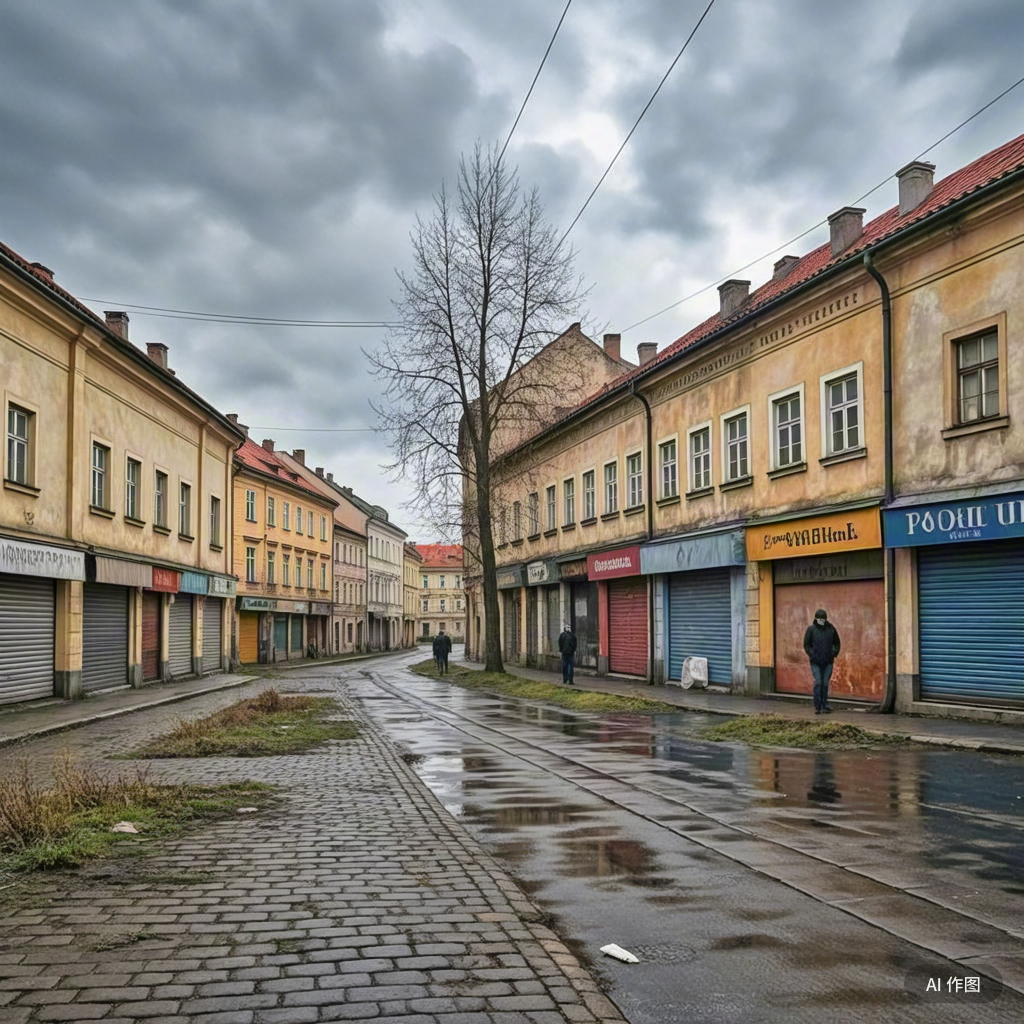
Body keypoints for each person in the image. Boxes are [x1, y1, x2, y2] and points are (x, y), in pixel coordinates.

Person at [803, 608, 841, 714]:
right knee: (819, 682)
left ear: (826, 619)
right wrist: (812, 654)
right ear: (816, 619)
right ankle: (818, 705)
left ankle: (825, 705)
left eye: (823, 618)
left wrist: (834, 654)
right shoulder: (811, 629)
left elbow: (837, 642)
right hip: (815, 662)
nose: (821, 620)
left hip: (828, 661)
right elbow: (806, 644)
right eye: (819, 618)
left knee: (825, 684)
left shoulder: (831, 629)